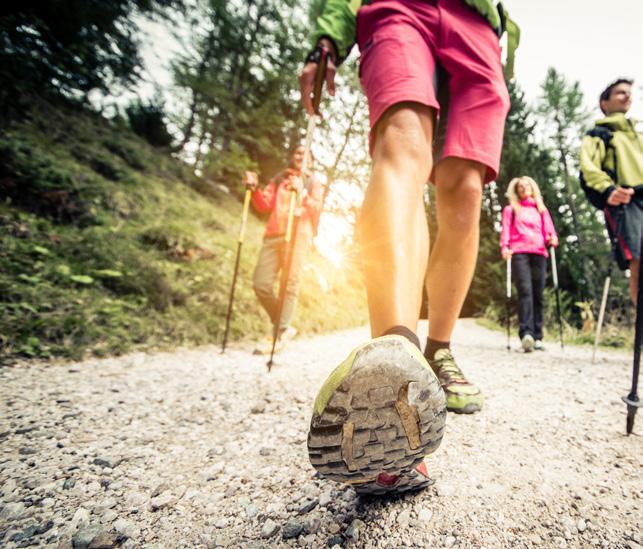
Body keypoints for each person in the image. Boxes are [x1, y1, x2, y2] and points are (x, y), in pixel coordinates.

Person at [300, 0, 517, 494]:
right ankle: (395, 354)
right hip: (399, 6)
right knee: (402, 143)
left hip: (478, 26)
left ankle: (439, 350)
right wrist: (328, 37)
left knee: (464, 186)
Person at [244, 145, 323, 354]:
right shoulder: (281, 178)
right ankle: (283, 325)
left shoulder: (313, 182)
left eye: (306, 153)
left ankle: (279, 334)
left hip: (298, 235)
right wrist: (253, 190)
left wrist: (303, 192)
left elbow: (316, 209)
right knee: (260, 283)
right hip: (273, 235)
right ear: (292, 156)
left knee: (289, 283)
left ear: (312, 160)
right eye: (297, 152)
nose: (300, 156)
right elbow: (263, 205)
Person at [579, 78, 643, 305]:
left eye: (629, 93)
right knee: (638, 259)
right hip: (627, 201)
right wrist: (608, 190)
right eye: (619, 93)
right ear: (604, 103)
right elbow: (589, 166)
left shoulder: (638, 133)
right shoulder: (600, 134)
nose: (627, 96)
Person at [500, 176, 558, 352]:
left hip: (540, 253)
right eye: (520, 187)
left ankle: (538, 336)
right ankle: (527, 334)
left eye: (526, 186)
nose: (523, 188)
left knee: (538, 294)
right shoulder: (511, 209)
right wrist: (505, 247)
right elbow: (506, 231)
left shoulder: (541, 210)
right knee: (525, 292)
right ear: (516, 191)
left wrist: (552, 238)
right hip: (520, 253)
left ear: (533, 188)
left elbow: (549, 230)